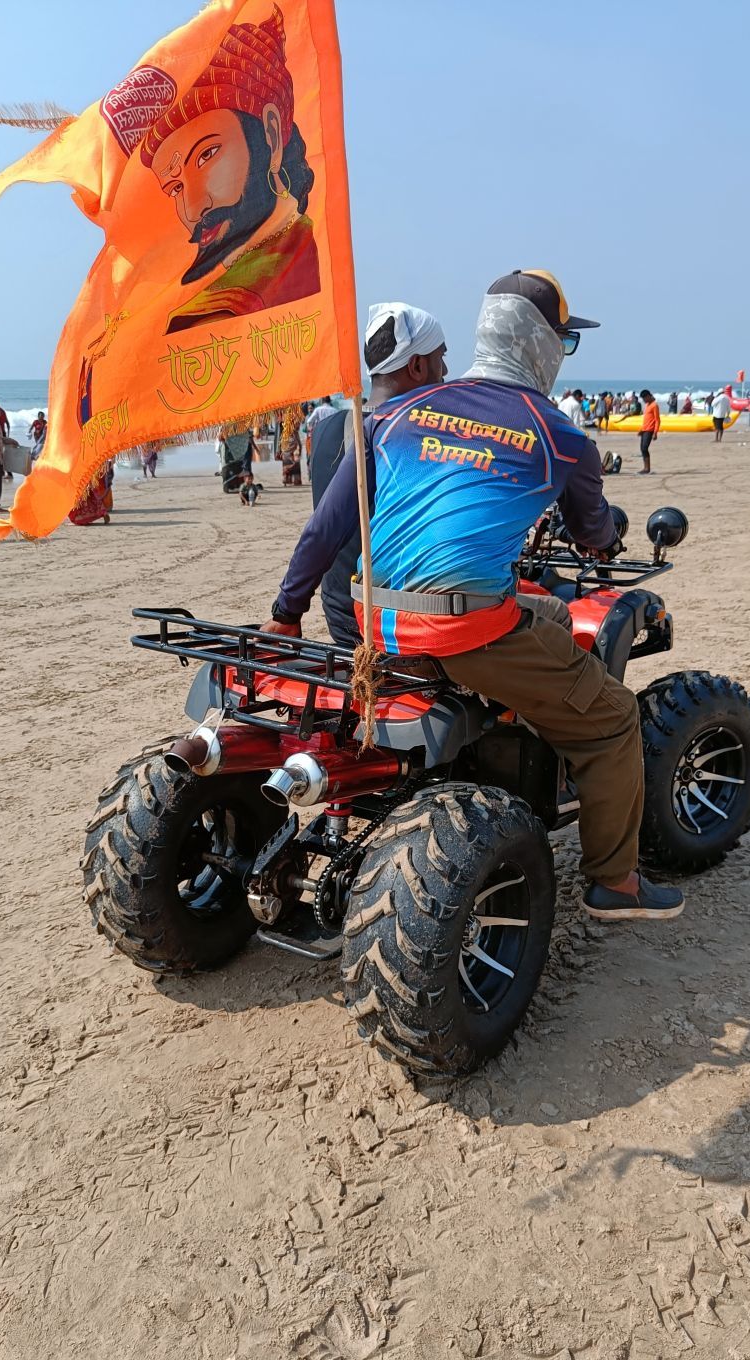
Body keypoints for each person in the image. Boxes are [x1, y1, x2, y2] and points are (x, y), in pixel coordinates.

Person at [262, 268, 684, 921]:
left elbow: (326, 528)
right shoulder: (562, 436)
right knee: (614, 716)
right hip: (463, 630)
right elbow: (594, 533)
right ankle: (615, 883)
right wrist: (603, 541)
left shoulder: (392, 414)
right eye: (565, 342)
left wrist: (286, 614)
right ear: (542, 344)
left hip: (373, 623)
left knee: (543, 611)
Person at [139, 8, 319, 334]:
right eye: (176, 188)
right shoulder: (213, 314)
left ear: (271, 134)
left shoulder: (309, 264)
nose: (194, 209)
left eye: (206, 155)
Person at [296, 301, 448, 648]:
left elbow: (322, 530)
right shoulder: (421, 438)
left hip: (339, 614)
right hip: (397, 621)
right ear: (417, 365)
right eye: (441, 357)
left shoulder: (327, 429)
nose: (445, 370)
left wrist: (288, 610)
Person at [70, 459, 114, 525]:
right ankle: (103, 512)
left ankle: (81, 518)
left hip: (77, 471)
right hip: (84, 470)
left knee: (79, 497)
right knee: (91, 495)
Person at [639, 389, 660, 473]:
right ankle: (645, 468)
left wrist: (655, 432)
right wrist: (641, 429)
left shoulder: (654, 405)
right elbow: (646, 419)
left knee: (644, 448)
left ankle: (647, 469)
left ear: (648, 396)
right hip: (644, 430)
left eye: (644, 398)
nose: (643, 400)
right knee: (642, 449)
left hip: (650, 430)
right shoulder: (647, 405)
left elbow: (657, 420)